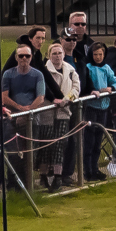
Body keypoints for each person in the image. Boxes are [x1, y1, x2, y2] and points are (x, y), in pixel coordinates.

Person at [0, 44, 48, 191]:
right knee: (13, 153)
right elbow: (3, 97)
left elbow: (40, 98)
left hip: (32, 120)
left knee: (30, 154)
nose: (24, 59)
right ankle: (13, 184)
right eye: (21, 56)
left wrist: (27, 113)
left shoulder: (37, 74)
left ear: (31, 57)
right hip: (12, 118)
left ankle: (28, 186)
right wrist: (20, 109)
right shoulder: (8, 74)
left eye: (27, 56)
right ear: (16, 57)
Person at [39, 40, 81, 188]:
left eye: (59, 53)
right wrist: (53, 100)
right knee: (47, 143)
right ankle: (43, 175)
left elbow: (76, 88)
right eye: (54, 53)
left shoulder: (70, 70)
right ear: (49, 55)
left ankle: (58, 175)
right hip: (47, 111)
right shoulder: (44, 70)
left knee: (60, 143)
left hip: (64, 111)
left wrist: (67, 99)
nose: (57, 56)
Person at [80, 42, 116, 178]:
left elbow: (115, 81)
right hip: (91, 107)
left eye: (100, 54)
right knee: (89, 140)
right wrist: (96, 91)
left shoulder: (106, 68)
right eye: (95, 54)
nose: (98, 57)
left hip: (104, 107)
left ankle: (95, 168)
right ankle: (88, 171)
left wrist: (111, 88)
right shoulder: (88, 67)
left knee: (98, 140)